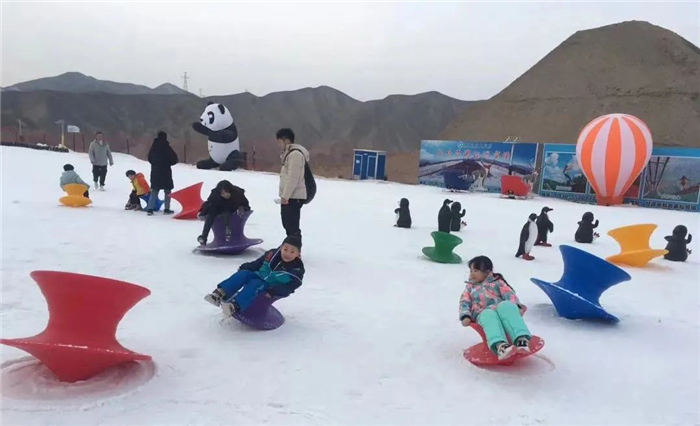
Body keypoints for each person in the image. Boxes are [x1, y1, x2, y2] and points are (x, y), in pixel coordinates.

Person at [204, 235, 305, 316]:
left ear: (298, 254)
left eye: (292, 251)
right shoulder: (272, 254)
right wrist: (246, 267)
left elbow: (291, 286)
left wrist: (274, 291)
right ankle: (220, 293)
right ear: (281, 247)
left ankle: (235, 306)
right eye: (285, 249)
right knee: (243, 274)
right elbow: (257, 263)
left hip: (270, 286)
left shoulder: (296, 269)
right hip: (258, 275)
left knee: (255, 284)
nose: (287, 253)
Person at [459, 256, 531, 361]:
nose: (472, 273)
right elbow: (464, 302)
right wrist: (465, 315)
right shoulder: (470, 288)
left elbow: (509, 293)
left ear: (487, 271)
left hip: (500, 308)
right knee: (489, 316)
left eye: (476, 270)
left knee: (506, 305)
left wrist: (515, 306)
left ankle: (521, 339)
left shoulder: (497, 282)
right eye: (471, 271)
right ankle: (500, 346)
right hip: (482, 313)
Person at [277, 128, 310, 239]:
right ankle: (291, 249)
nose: (278, 145)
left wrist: (285, 196)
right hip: (291, 196)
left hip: (293, 197)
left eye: (279, 142)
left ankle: (294, 250)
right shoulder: (289, 154)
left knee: (292, 226)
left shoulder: (295, 155)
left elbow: (293, 177)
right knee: (288, 225)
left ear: (286, 141)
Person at [197, 180, 250, 245]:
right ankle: (204, 237)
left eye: (226, 191)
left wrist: (242, 208)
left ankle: (228, 231)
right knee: (210, 215)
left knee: (226, 213)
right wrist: (202, 213)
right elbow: (209, 204)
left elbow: (246, 205)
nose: (224, 194)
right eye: (222, 192)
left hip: (231, 211)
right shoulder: (215, 194)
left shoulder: (237, 194)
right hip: (218, 210)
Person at [146, 131, 178, 216]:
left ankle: (150, 209)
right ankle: (166, 209)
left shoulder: (153, 148)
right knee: (167, 191)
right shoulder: (167, 147)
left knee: (155, 190)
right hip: (166, 171)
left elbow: (149, 158)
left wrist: (156, 164)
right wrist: (167, 163)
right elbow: (175, 159)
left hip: (155, 172)